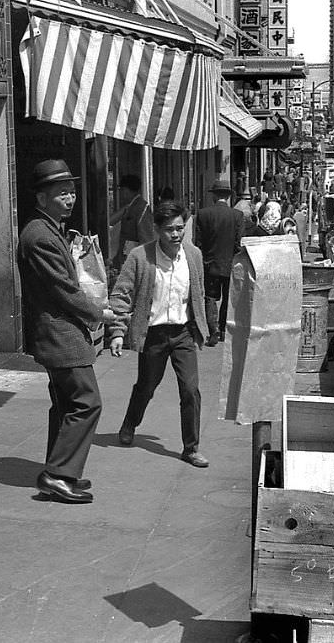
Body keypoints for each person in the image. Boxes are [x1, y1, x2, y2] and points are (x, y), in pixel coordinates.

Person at [17, 159, 107, 504]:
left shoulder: (50, 228)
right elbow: (65, 290)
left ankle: (60, 469)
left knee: (67, 403)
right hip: (60, 333)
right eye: (61, 192)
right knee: (86, 401)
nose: (70, 198)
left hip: (60, 330)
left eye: (71, 191)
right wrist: (101, 314)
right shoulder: (39, 235)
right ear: (42, 197)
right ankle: (58, 474)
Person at [109, 200, 210, 468]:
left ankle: (191, 448)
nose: (176, 235)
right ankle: (130, 423)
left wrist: (203, 326)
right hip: (153, 334)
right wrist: (118, 331)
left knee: (190, 390)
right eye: (169, 229)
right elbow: (121, 294)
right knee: (146, 386)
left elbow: (197, 293)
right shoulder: (140, 257)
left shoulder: (193, 255)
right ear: (156, 229)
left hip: (183, 333)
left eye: (180, 228)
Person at [194, 179, 244, 346]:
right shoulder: (237, 216)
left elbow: (198, 243)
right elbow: (239, 243)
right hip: (230, 264)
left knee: (210, 297)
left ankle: (212, 329)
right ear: (228, 197)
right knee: (228, 299)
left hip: (210, 263)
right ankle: (223, 329)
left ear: (214, 196)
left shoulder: (202, 214)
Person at [109, 173, 154, 269]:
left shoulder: (142, 208)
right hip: (127, 256)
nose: (121, 194)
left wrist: (145, 263)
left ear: (126, 190)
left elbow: (146, 237)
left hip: (136, 258)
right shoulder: (130, 207)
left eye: (122, 190)